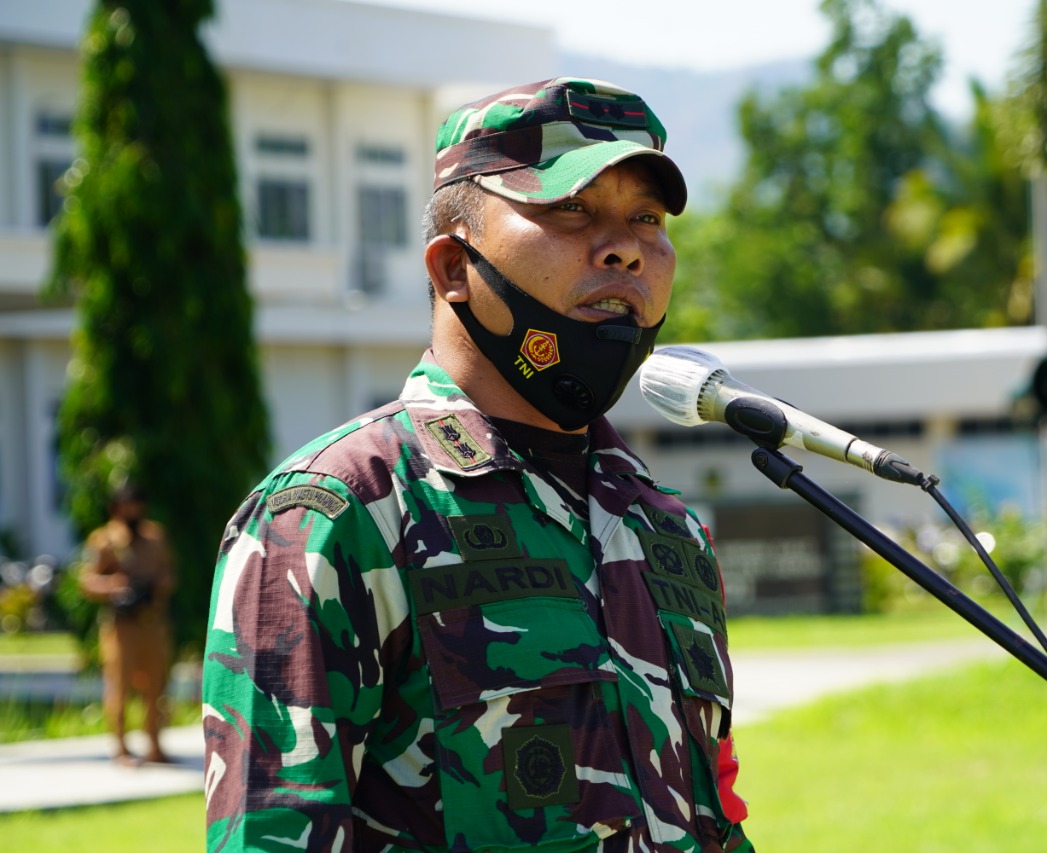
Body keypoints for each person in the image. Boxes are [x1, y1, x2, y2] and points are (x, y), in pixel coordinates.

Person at [203, 78, 752, 852]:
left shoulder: (667, 529)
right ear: (453, 267)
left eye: (647, 218)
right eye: (570, 209)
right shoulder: (336, 515)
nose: (626, 246)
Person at [78, 483, 175, 765]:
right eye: (127, 505)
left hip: (152, 622)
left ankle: (155, 746)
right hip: (121, 626)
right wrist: (115, 586)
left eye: (137, 504)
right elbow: (87, 581)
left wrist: (159, 583)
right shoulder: (104, 540)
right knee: (119, 686)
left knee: (157, 685)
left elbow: (169, 571)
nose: (133, 510)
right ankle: (120, 748)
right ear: (116, 508)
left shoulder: (155, 535)